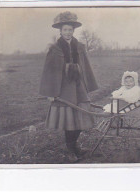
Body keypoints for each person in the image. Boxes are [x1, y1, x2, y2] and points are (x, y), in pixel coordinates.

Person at [39, 11, 98, 162]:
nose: (67, 32)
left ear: (73, 31)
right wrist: (50, 92)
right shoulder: (55, 49)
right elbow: (49, 71)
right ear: (60, 31)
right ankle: (71, 149)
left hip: (78, 87)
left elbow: (86, 66)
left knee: (80, 117)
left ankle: (74, 146)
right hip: (63, 89)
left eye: (70, 30)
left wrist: (87, 84)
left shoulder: (79, 46)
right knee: (69, 121)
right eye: (65, 30)